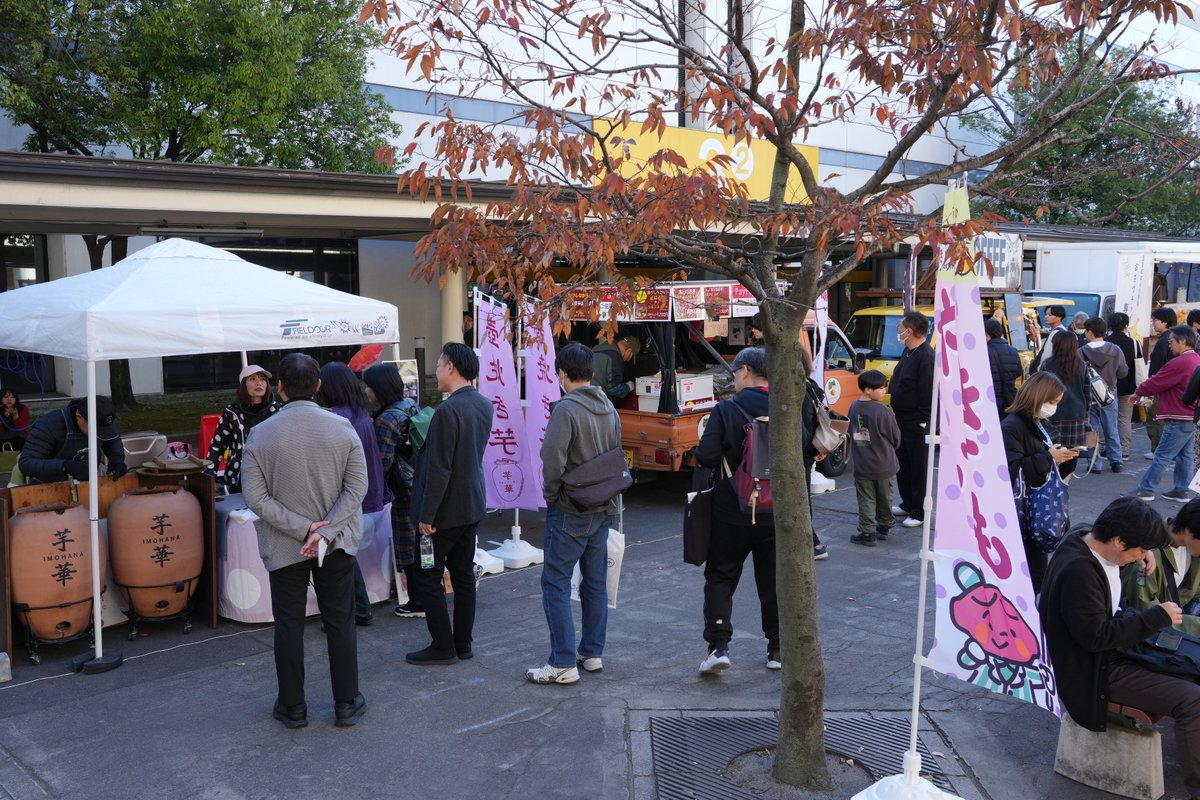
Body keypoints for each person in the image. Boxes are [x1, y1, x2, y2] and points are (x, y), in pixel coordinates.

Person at [1039, 497, 1200, 798]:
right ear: (1118, 540)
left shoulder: (1085, 537)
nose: (1144, 555)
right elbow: (1095, 638)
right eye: (1140, 549)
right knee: (1193, 700)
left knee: (1191, 662)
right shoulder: (1079, 573)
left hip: (1114, 654)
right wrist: (1156, 617)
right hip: (1095, 672)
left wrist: (1144, 554)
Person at [240, 353, 369, 729]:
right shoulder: (342, 427)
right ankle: (346, 702)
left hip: (285, 544)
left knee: (289, 626)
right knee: (340, 621)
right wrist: (324, 531)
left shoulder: (260, 434)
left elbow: (255, 498)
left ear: (279, 387)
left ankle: (293, 706)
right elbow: (357, 486)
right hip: (336, 541)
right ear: (318, 385)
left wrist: (303, 528)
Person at [526, 344, 621, 685]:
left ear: (562, 374)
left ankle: (562, 661)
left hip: (571, 507)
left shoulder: (566, 409)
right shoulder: (608, 405)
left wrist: (553, 495)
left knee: (555, 582)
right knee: (594, 583)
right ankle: (591, 653)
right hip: (602, 505)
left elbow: (552, 458)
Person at [406, 342, 492, 665]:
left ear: (451, 367)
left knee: (428, 576)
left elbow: (440, 468)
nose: (437, 371)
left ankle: (443, 646)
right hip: (470, 504)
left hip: (442, 513)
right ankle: (463, 643)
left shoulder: (447, 411)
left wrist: (427, 515)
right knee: (463, 574)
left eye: (439, 364)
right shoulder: (483, 405)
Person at [695, 346, 780, 674]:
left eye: (734, 373)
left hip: (733, 506)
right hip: (776, 510)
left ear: (745, 371)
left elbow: (707, 456)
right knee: (772, 580)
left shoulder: (726, 409)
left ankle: (719, 647)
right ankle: (776, 649)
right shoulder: (786, 404)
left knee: (721, 575)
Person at [319, 361, 387, 627]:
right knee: (343, 552)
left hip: (339, 495)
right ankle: (360, 606)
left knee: (338, 556)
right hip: (357, 492)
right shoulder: (359, 412)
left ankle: (353, 609)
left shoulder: (337, 417)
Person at [1000, 372, 1076, 592]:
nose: (1054, 407)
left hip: (1035, 512)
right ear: (1037, 396)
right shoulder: (1012, 426)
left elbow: (1045, 463)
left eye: (1057, 402)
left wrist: (1066, 458)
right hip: (1022, 516)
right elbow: (1011, 471)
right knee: (1027, 577)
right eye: (1052, 401)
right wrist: (1049, 457)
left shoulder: (1040, 423)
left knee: (1036, 575)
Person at [362, 363, 423, 619]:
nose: (365, 391)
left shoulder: (386, 419)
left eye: (368, 386)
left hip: (403, 489)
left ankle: (418, 602)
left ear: (378, 389)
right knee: (420, 542)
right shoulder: (410, 405)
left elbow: (383, 462)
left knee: (406, 544)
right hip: (419, 483)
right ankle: (424, 595)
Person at [1134, 325, 1200, 502]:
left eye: (1171, 342)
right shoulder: (1196, 359)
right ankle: (1181, 490)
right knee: (1185, 455)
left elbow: (1157, 381)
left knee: (1162, 455)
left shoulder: (1180, 362)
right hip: (1191, 416)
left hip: (1179, 415)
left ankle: (1146, 490)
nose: (1169, 345)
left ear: (1183, 341)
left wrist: (1138, 392)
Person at [1121, 498, 1200, 636]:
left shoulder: (1193, 552)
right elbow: (1146, 615)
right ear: (1188, 530)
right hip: (1154, 638)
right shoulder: (1146, 556)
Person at [890, 311, 935, 529]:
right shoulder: (908, 351)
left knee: (919, 466)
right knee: (904, 463)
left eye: (900, 327)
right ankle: (908, 502)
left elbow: (928, 392)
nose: (897, 330)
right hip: (902, 418)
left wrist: (924, 422)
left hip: (918, 421)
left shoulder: (926, 356)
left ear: (910, 331)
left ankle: (919, 510)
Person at [18, 395, 127, 484]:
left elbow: (112, 439)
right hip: (47, 488)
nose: (98, 434)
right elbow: (26, 463)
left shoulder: (101, 418)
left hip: (86, 486)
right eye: (96, 430)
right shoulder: (49, 425)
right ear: (79, 416)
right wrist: (66, 466)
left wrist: (117, 459)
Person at [206, 364, 279, 494]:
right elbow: (217, 447)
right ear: (244, 384)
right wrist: (209, 478)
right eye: (252, 379)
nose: (259, 383)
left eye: (262, 379)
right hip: (240, 479)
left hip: (273, 478)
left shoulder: (278, 411)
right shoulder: (231, 412)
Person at [848, 370, 900, 547]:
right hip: (885, 463)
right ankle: (884, 526)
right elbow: (895, 438)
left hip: (863, 464)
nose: (884, 391)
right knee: (885, 497)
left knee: (866, 499)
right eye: (881, 388)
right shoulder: (883, 411)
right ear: (868, 389)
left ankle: (867, 532)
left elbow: (855, 434)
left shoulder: (854, 407)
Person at [1080, 316, 1128, 473]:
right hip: (1109, 395)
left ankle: (1095, 463)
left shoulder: (1081, 352)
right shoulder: (1115, 350)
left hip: (1088, 397)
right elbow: (1123, 372)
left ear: (1090, 332)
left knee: (1091, 430)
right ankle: (1117, 461)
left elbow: (1076, 375)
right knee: (1111, 428)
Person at [1037, 331, 1089, 462]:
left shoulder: (1047, 364)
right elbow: (1087, 392)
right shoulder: (1081, 365)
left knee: (1053, 452)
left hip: (1051, 414)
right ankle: (1066, 479)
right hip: (1076, 415)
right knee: (1072, 455)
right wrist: (1086, 412)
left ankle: (1055, 479)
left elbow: (1040, 391)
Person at [798, 347, 828, 560]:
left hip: (802, 452)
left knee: (800, 497)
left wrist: (811, 450)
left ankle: (812, 541)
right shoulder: (811, 386)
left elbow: (803, 426)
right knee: (802, 496)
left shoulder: (797, 390)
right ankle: (811, 541)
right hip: (810, 449)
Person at [1106, 312, 1140, 461]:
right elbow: (1139, 366)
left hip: (1106, 387)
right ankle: (1124, 451)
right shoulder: (1134, 343)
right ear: (1126, 326)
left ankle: (1103, 449)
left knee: (1106, 418)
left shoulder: (1105, 342)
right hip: (1128, 386)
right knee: (1124, 418)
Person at [1144, 307, 1178, 456]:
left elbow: (1156, 368)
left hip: (1161, 387)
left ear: (1165, 322)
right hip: (1174, 386)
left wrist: (1150, 388)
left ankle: (1157, 450)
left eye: (1155, 320)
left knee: (1156, 418)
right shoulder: (1176, 338)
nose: (1153, 323)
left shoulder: (1164, 341)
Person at [984, 318, 1022, 420]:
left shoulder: (984, 352)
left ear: (987, 334)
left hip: (990, 399)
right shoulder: (1013, 350)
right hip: (1009, 398)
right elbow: (1019, 372)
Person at [591, 335, 641, 402]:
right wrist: (629, 386)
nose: (627, 360)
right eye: (630, 357)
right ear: (629, 351)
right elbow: (614, 389)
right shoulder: (615, 358)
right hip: (598, 403)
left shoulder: (595, 350)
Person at [1031, 304, 1069, 371]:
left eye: (1050, 315)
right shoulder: (1064, 331)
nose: (1046, 317)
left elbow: (1046, 355)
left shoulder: (1055, 333)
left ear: (1059, 317)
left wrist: (1039, 370)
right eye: (1046, 314)